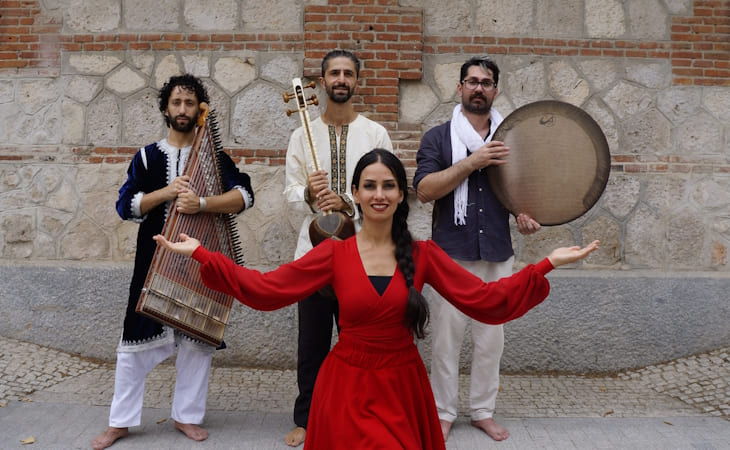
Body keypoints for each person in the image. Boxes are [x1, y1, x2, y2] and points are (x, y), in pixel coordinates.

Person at [154, 148, 599, 449]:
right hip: (344, 390)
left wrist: (546, 264)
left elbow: (484, 299)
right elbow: (266, 289)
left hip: (403, 390)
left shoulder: (424, 255)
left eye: (388, 185)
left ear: (401, 194)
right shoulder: (333, 254)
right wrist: (203, 255)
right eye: (369, 186)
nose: (379, 195)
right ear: (356, 194)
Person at [91, 74, 254, 450]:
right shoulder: (147, 156)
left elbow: (244, 196)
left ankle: (187, 416)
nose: (183, 109)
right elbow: (125, 206)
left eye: (190, 103)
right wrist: (165, 192)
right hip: (153, 262)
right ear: (165, 108)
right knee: (132, 343)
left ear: (200, 111)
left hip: (198, 260)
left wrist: (203, 204)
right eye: (176, 102)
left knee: (197, 343)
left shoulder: (214, 159)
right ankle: (120, 422)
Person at [413, 56, 541, 442]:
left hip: (497, 251)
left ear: (495, 91)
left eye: (486, 82)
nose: (478, 88)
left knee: (491, 340)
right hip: (450, 255)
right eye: (472, 81)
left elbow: (523, 192)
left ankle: (484, 411)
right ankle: (443, 412)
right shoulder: (438, 138)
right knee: (445, 340)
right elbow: (424, 190)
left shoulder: (512, 139)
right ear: (460, 88)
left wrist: (525, 215)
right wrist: (472, 162)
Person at [283, 49, 392, 446]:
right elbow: (289, 193)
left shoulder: (375, 134)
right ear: (322, 82)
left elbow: (386, 190)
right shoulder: (302, 135)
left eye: (348, 73)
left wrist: (348, 202)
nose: (341, 79)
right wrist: (310, 195)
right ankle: (307, 418)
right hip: (313, 254)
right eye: (334, 73)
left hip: (362, 252)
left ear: (357, 81)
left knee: (359, 341)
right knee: (312, 341)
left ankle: (360, 413)